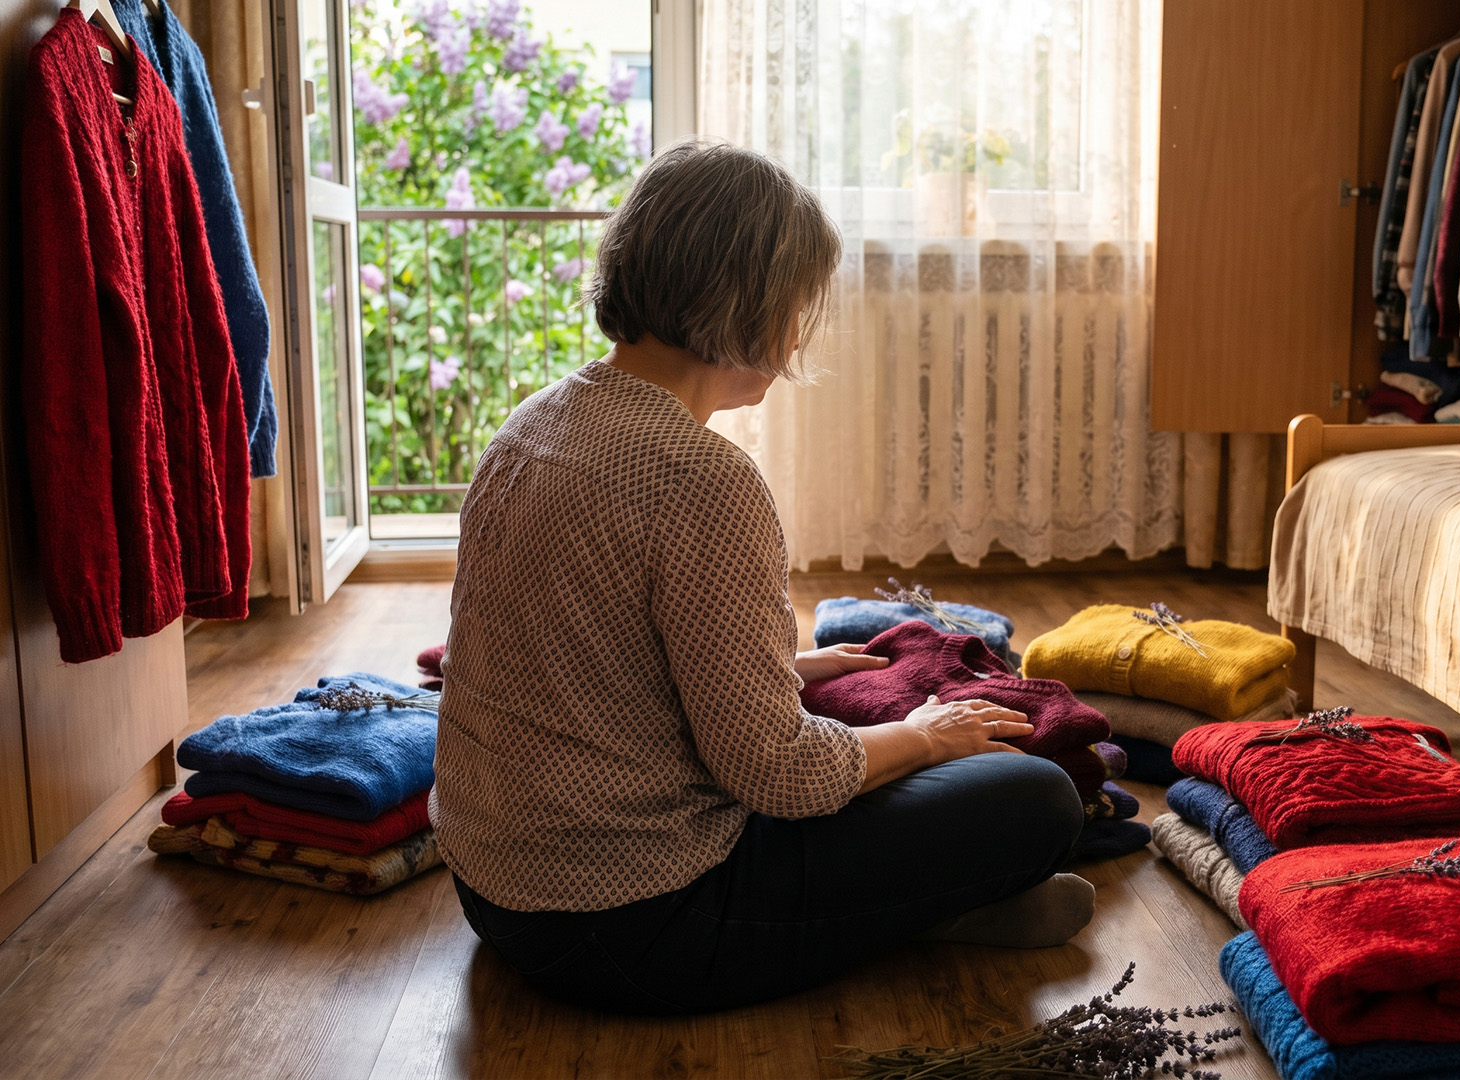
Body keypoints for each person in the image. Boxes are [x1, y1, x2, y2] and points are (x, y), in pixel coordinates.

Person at [429, 140, 1091, 1015]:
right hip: (639, 921)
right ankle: (912, 914)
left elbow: (577, 650)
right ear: (751, 303)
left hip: (493, 891)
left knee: (844, 686)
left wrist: (779, 671)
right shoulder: (699, 476)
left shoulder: (535, 421)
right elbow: (780, 777)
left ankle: (896, 911)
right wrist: (928, 735)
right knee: (1038, 798)